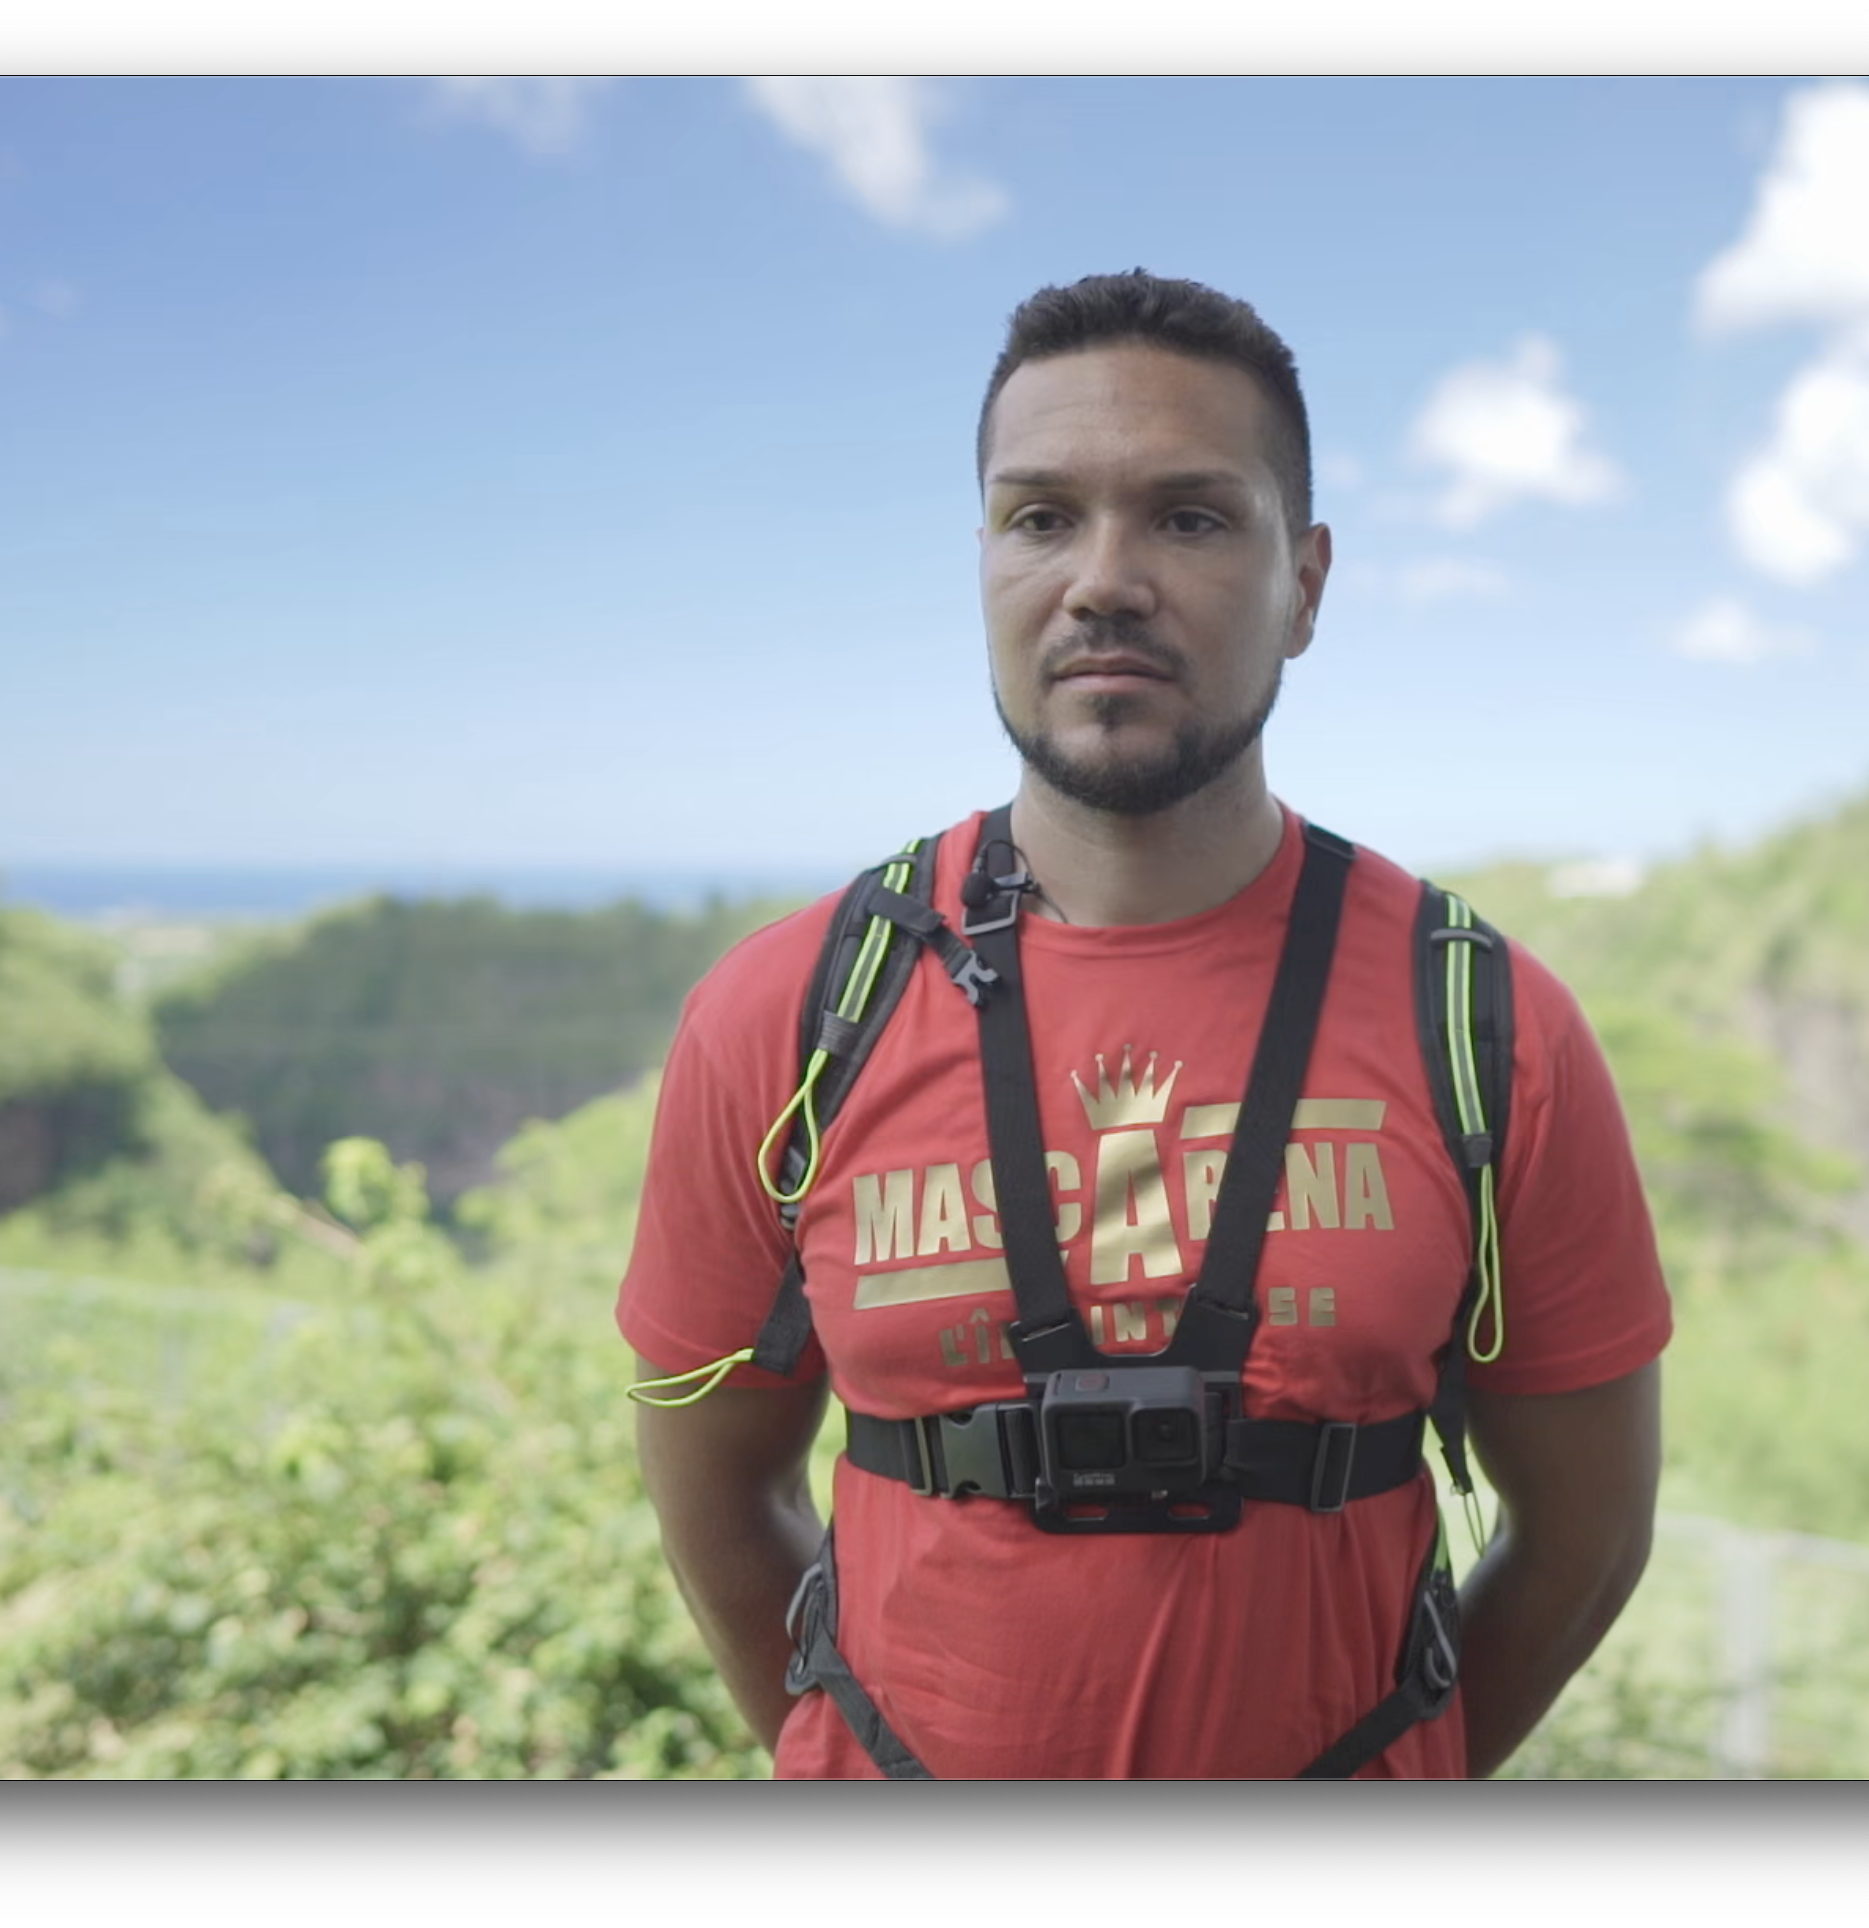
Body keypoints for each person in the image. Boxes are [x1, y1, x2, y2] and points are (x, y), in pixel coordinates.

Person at [618, 270, 1670, 1779]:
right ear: (982, 558)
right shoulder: (789, 1016)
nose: (1103, 577)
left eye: (1189, 517)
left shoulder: (1487, 1026)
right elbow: (714, 1499)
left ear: (1305, 584)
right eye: (1041, 516)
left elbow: (1588, 1532)